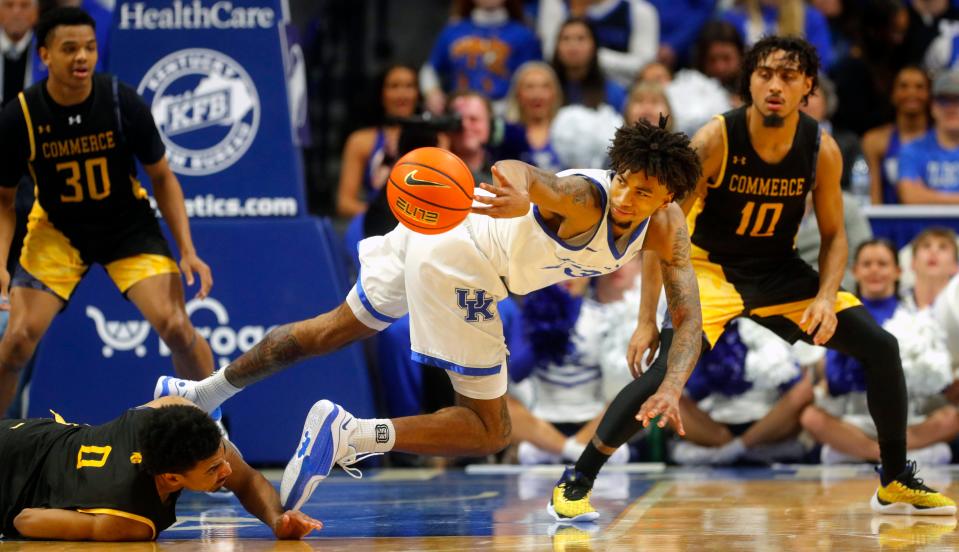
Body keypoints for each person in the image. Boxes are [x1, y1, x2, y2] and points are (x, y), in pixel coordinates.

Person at [154, 117, 704, 512]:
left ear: (670, 198)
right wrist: (518, 188)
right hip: (463, 260)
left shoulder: (667, 226)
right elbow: (535, 176)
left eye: (645, 191)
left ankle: (205, 393)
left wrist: (669, 377)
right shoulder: (587, 196)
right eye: (624, 178)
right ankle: (349, 435)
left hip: (439, 231)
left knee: (330, 329)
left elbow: (686, 315)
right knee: (492, 430)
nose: (628, 195)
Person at [550, 35, 955, 522]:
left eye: (788, 75)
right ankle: (577, 480)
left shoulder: (821, 149)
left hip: (779, 272)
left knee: (881, 347)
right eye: (764, 73)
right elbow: (663, 230)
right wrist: (644, 319)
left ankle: (893, 480)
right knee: (663, 372)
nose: (775, 85)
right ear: (749, 82)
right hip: (709, 270)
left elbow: (834, 237)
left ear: (808, 85)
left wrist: (827, 297)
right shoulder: (716, 138)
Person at [0, 7, 215, 417]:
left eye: (90, 47)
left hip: (126, 228)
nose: (82, 56)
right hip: (59, 230)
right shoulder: (20, 116)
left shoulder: (121, 101)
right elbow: (4, 200)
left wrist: (187, 249)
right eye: (69, 49)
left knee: (176, 326)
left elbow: (164, 178)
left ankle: (211, 428)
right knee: (17, 341)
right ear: (44, 55)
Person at [0, 395, 322, 541]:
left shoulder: (174, 413)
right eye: (212, 470)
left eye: (223, 455)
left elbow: (247, 479)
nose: (227, 471)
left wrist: (277, 519)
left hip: (28, 435)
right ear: (171, 478)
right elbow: (26, 520)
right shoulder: (131, 522)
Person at [801, 239, 958, 467]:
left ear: (897, 271)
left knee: (953, 417)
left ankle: (859, 453)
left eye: (882, 264)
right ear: (855, 271)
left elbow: (934, 380)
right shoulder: (840, 315)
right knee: (810, 417)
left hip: (905, 418)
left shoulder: (916, 314)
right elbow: (834, 382)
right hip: (857, 417)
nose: (874, 270)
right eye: (867, 264)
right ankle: (892, 457)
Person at [336, 64, 421, 218]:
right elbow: (345, 203)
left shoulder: (437, 139)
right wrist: (385, 218)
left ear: (418, 93)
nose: (402, 94)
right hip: (377, 228)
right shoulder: (360, 141)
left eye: (409, 86)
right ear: (381, 94)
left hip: (422, 226)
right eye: (394, 86)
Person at [860, 65, 930, 205]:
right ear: (893, 94)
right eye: (903, 86)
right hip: (891, 223)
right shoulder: (874, 141)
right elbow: (874, 196)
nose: (911, 92)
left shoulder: (945, 139)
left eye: (919, 87)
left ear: (929, 95)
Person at [896, 69, 959, 204]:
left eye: (958, 100)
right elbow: (910, 196)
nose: (952, 108)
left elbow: (918, 196)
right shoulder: (911, 150)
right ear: (933, 107)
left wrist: (927, 194)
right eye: (944, 100)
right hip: (926, 225)